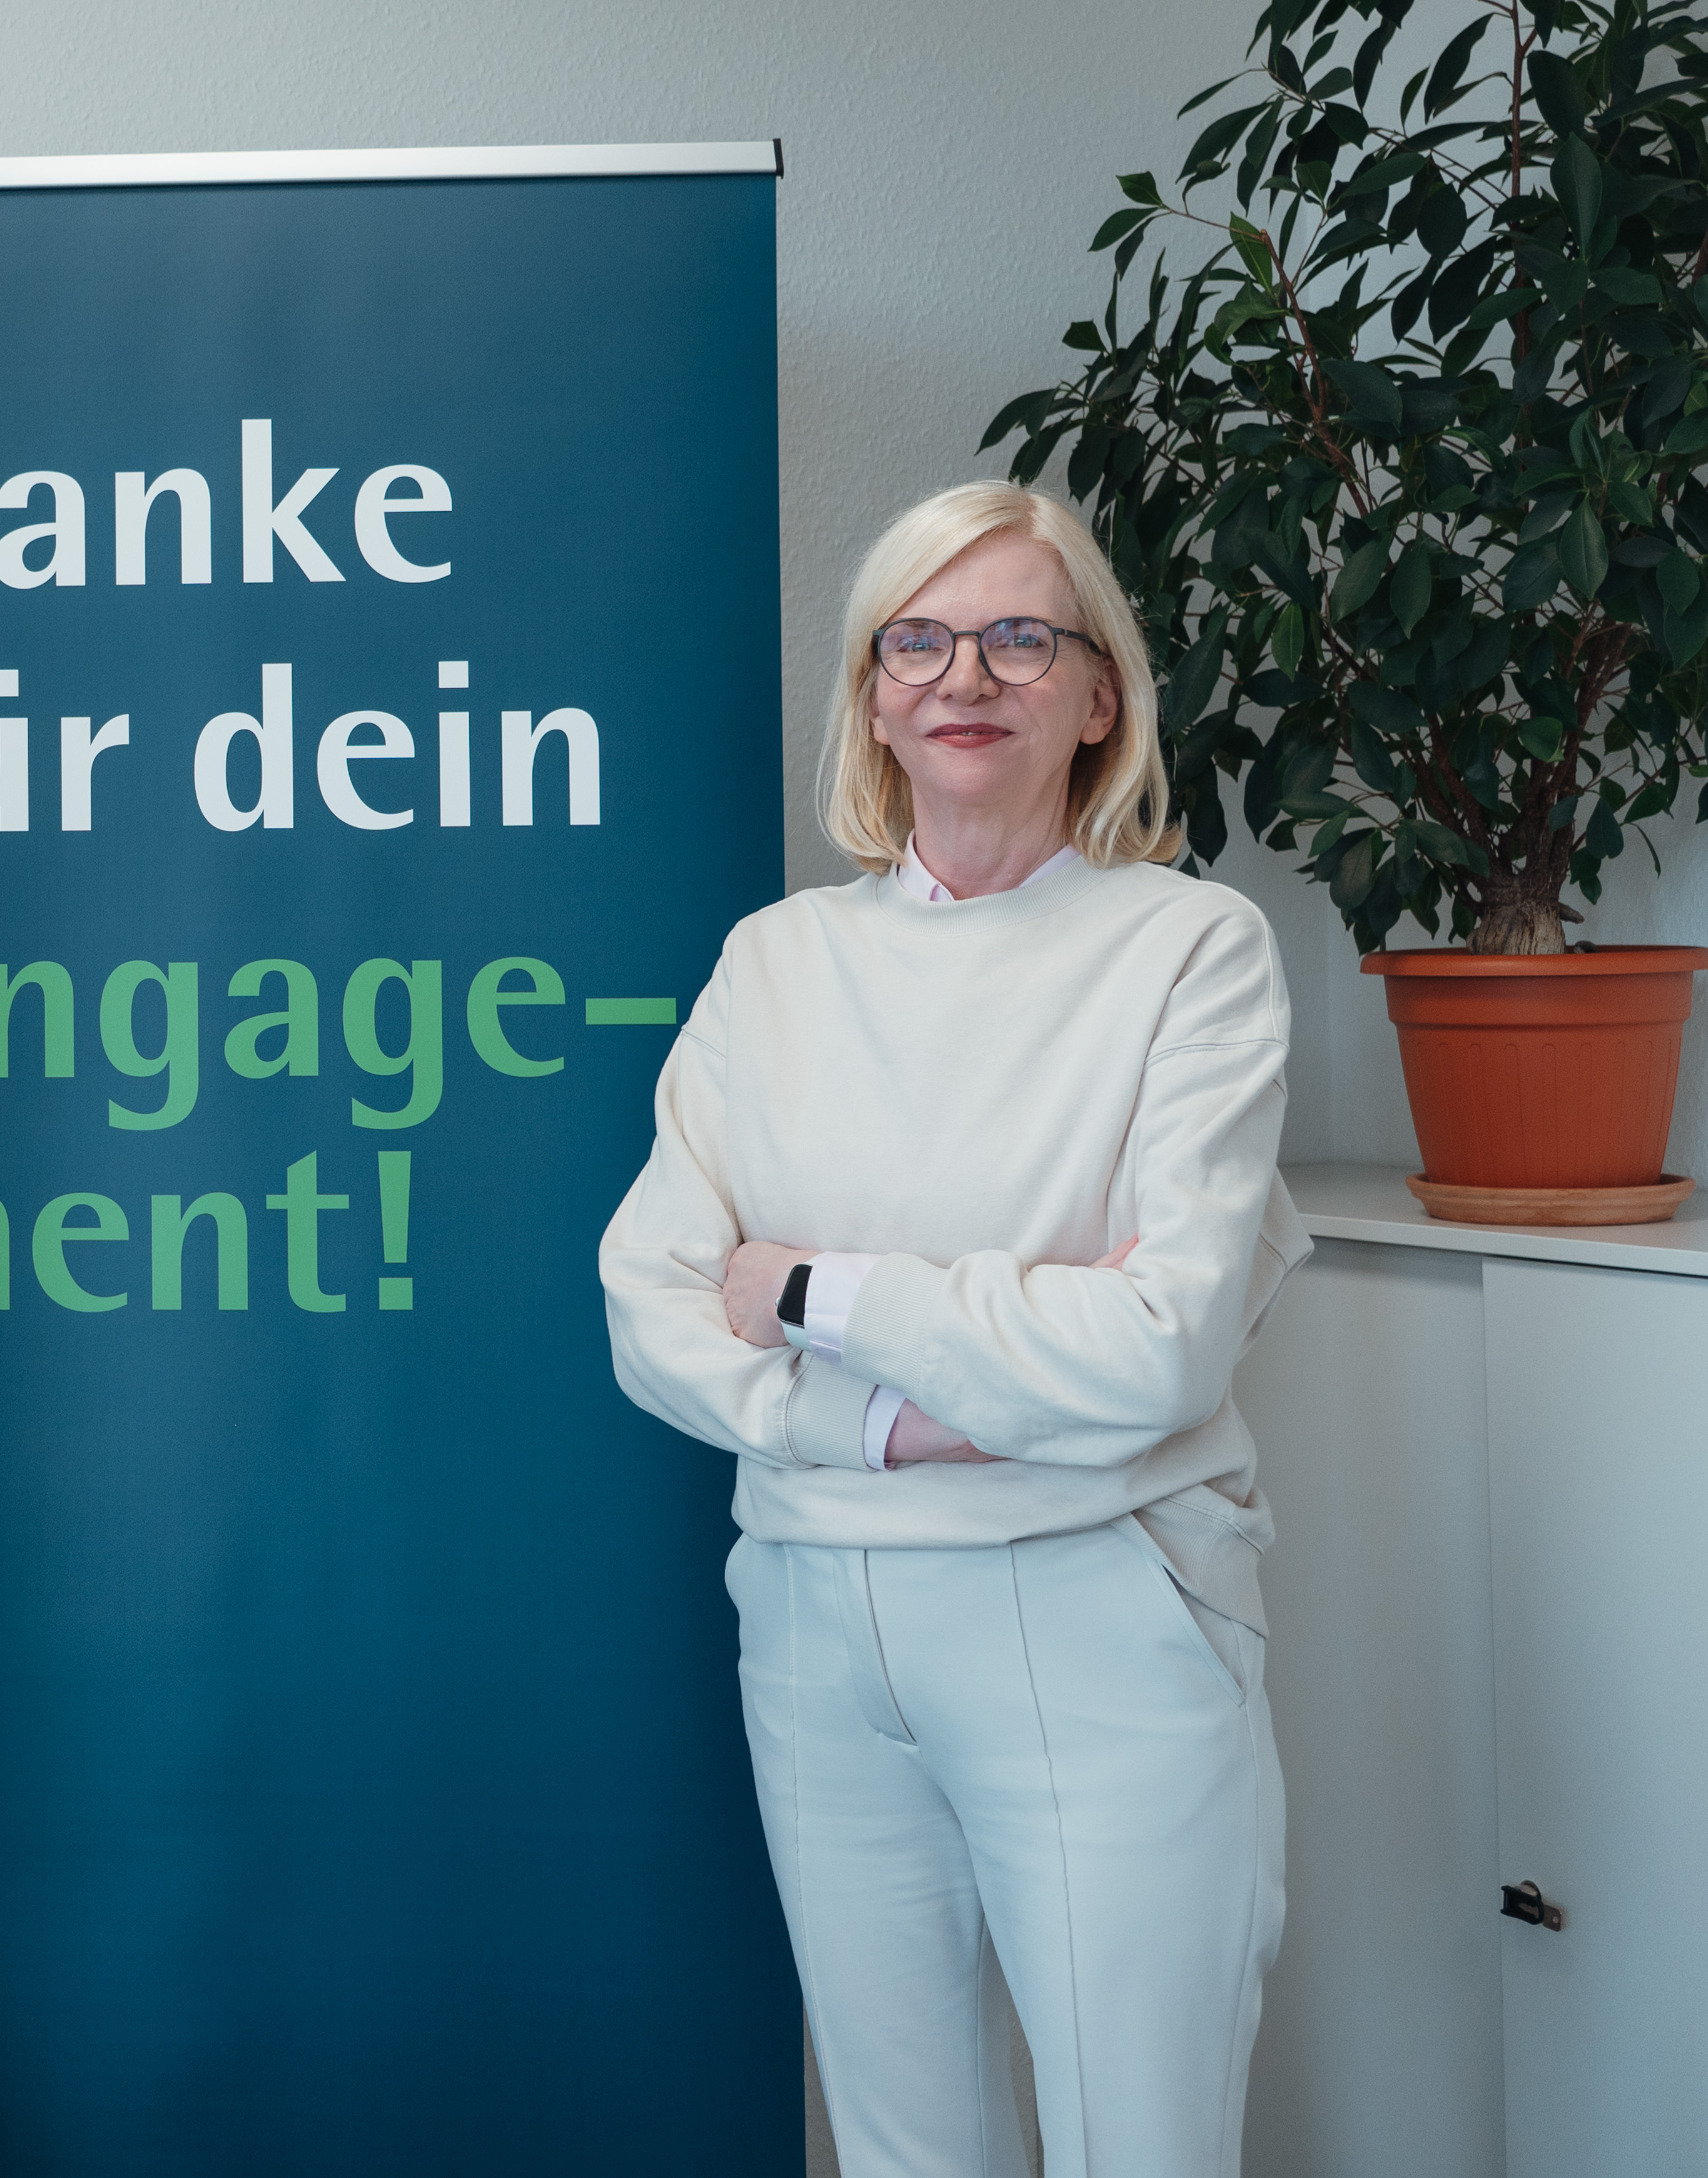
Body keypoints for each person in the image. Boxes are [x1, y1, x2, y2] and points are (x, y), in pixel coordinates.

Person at [601, 481, 1310, 2178]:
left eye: (1016, 635)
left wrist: (809, 1292)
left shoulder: (1187, 950)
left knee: (1139, 2145)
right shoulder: (771, 964)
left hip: (1091, 1596)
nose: (960, 674)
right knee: (905, 2155)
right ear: (868, 694)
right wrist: (887, 1414)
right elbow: (643, 1303)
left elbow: (1153, 1348)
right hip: (812, 1606)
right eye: (912, 639)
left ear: (1094, 695)